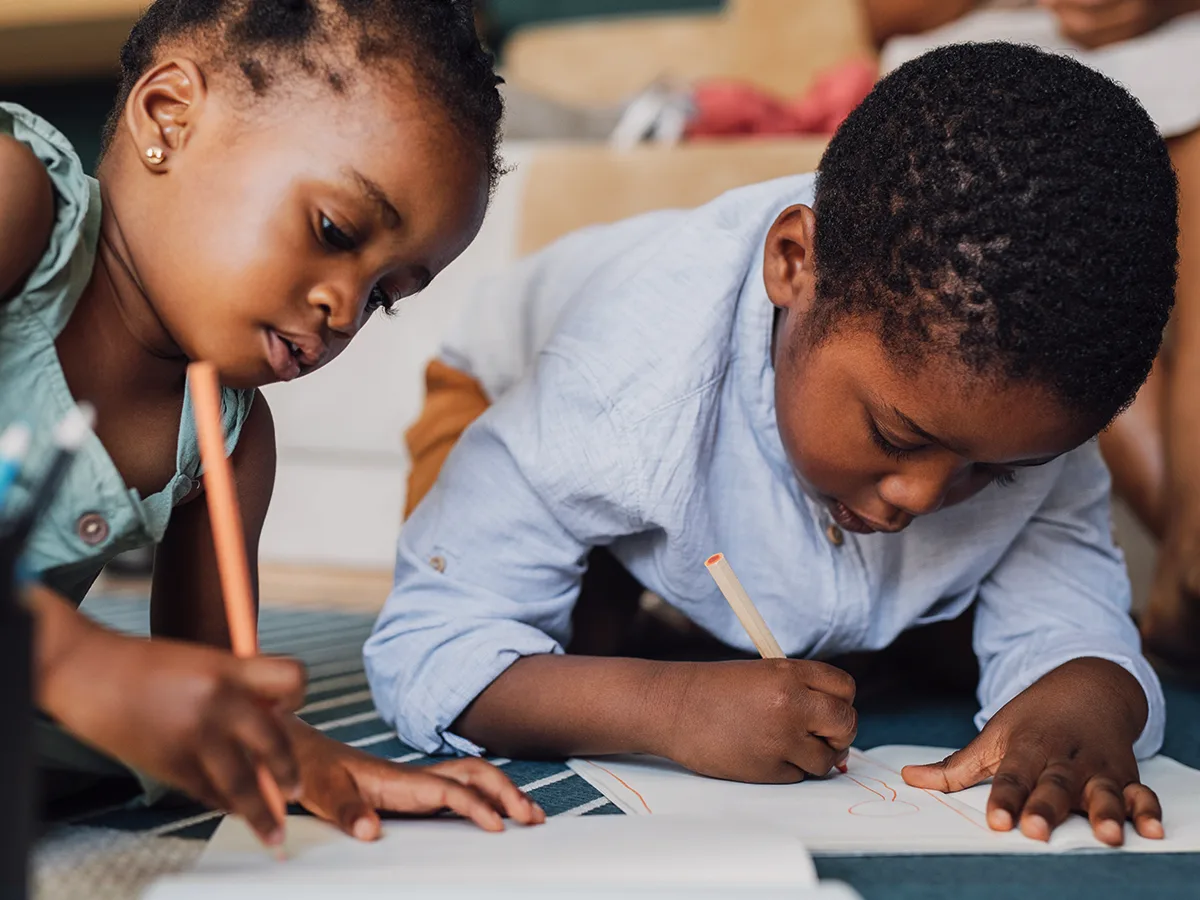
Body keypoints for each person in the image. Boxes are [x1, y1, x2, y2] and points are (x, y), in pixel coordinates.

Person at [366, 43, 1178, 847]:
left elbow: (1069, 613)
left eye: (996, 473)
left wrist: (1083, 699)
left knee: (945, 648)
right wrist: (672, 709)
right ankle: (626, 595)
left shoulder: (1015, 408)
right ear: (794, 265)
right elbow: (429, 644)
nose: (922, 499)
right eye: (895, 436)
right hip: (504, 384)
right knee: (570, 655)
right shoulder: (620, 386)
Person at [0, 0, 543, 846]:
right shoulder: (15, 203)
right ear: (169, 117)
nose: (342, 308)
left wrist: (294, 756)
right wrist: (72, 661)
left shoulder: (227, 441)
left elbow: (212, 698)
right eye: (333, 229)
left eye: (384, 297)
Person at [865, 0, 1200, 674]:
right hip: (1009, 39)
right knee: (1020, 179)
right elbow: (879, 14)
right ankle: (1189, 563)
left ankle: (1189, 562)